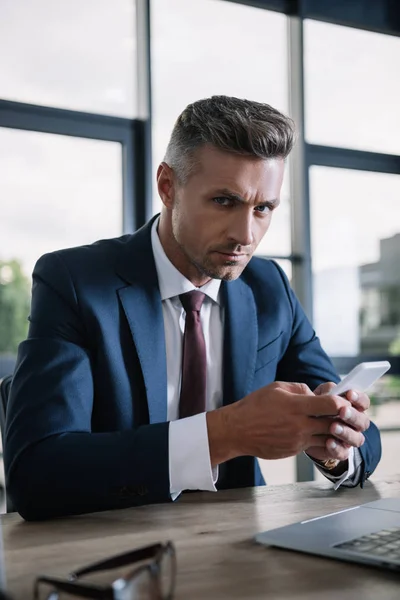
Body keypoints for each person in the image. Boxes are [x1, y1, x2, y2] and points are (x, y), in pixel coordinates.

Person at [5, 96, 380, 521]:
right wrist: (225, 433)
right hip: (112, 549)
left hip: (239, 541)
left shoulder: (269, 286)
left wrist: (333, 445)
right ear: (168, 186)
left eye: (263, 208)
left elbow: (361, 435)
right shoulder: (74, 281)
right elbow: (37, 473)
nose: (245, 234)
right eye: (224, 201)